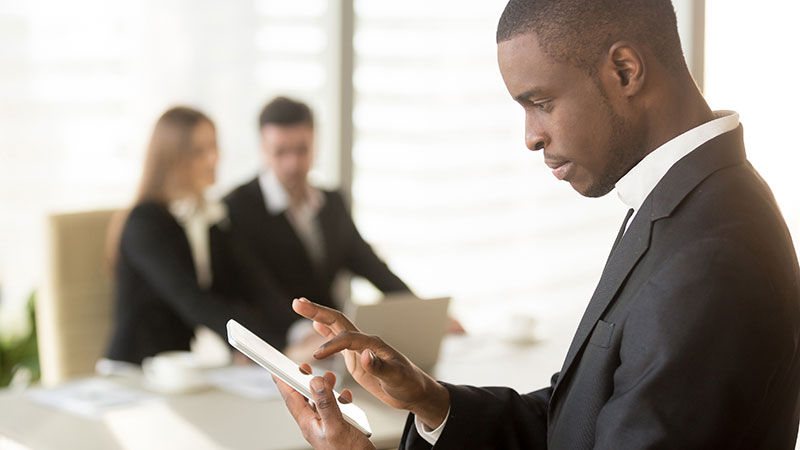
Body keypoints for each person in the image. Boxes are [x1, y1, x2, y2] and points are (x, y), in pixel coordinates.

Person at [272, 1, 800, 449]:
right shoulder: (684, 201)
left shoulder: (708, 257)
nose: (530, 137)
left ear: (624, 70)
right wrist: (432, 401)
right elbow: (580, 418)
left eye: (541, 103)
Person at [224, 97, 464, 356]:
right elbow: (258, 288)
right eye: (280, 152)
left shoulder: (332, 203)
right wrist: (304, 334)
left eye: (302, 150)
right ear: (262, 148)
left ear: (316, 142)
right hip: (276, 348)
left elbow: (371, 266)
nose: (292, 163)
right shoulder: (237, 207)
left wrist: (425, 316)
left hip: (331, 346)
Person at [105, 106, 295, 365]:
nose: (213, 158)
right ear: (171, 159)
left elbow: (253, 284)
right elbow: (193, 301)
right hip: (136, 370)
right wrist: (273, 351)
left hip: (183, 368)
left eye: (214, 147)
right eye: (199, 151)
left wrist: (298, 332)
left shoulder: (211, 216)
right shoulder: (145, 223)